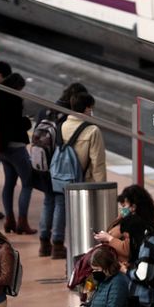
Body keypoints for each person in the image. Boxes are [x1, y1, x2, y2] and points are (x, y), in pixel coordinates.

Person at [53, 91, 108, 259]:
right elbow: (97, 162)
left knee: (61, 207)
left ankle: (56, 244)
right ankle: (85, 250)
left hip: (62, 176)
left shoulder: (62, 125)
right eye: (91, 108)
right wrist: (101, 187)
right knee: (84, 216)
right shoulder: (92, 130)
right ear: (86, 109)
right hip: (84, 180)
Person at [36, 82, 87, 257]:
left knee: (47, 201)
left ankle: (44, 244)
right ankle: (57, 244)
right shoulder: (67, 117)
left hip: (41, 164)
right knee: (59, 203)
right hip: (58, 167)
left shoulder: (46, 110)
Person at [0, 62, 35, 234]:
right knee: (28, 182)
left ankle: (9, 219)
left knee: (9, 182)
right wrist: (27, 122)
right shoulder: (13, 98)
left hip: (2, 148)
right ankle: (22, 221)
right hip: (16, 147)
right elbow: (16, 123)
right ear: (17, 87)